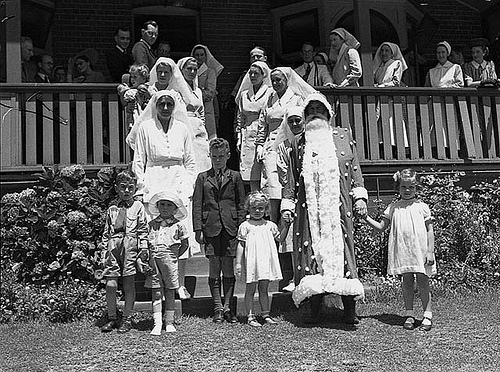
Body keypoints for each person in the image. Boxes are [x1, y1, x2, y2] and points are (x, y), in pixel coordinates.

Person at [281, 92, 367, 324]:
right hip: (309, 211)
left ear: (328, 114)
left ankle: (349, 309)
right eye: (311, 111)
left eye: (320, 110)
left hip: (338, 208)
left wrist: (359, 196)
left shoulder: (342, 136)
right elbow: (291, 177)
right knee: (311, 254)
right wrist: (287, 206)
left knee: (344, 252)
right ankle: (315, 308)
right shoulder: (299, 143)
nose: (315, 114)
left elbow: (355, 168)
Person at [130, 90, 198, 300]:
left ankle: (179, 283)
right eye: (162, 104)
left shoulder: (183, 129)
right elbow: (139, 161)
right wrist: (142, 188)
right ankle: (156, 280)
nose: (166, 108)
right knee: (156, 236)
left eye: (169, 104)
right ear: (155, 105)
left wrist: (187, 187)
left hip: (178, 182)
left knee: (180, 233)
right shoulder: (145, 127)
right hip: (154, 181)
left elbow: (191, 162)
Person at [364, 169, 436, 331]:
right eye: (404, 187)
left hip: (421, 251)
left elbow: (430, 230)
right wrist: (365, 218)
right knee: (407, 282)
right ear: (398, 187)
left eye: (411, 187)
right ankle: (409, 314)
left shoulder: (422, 207)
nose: (408, 190)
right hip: (404, 251)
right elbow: (381, 227)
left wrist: (430, 251)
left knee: (423, 282)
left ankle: (427, 315)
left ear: (417, 187)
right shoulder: (393, 207)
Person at [192, 138, 246, 324]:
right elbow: (197, 204)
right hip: (211, 227)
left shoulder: (236, 177)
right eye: (214, 157)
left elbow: (241, 204)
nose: (217, 160)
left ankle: (228, 307)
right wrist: (198, 229)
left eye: (221, 156)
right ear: (210, 156)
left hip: (231, 227)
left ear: (228, 156)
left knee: (228, 266)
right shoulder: (202, 178)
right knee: (215, 266)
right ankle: (217, 307)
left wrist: (241, 226)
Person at [255, 67, 316, 224]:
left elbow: (301, 121)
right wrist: (260, 144)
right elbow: (262, 121)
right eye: (273, 80)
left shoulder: (296, 98)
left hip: (290, 142)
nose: (275, 83)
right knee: (272, 186)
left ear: (286, 80)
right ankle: (274, 225)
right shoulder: (270, 98)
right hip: (271, 145)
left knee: (288, 183)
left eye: (279, 80)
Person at [98, 169, 149, 333]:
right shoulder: (112, 209)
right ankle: (112, 317)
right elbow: (106, 231)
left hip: (130, 246)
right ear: (116, 188)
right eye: (123, 187)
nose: (127, 191)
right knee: (111, 284)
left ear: (135, 189)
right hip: (113, 246)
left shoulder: (138, 207)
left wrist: (143, 249)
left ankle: (127, 318)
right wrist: (104, 250)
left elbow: (142, 230)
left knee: (128, 284)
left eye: (130, 187)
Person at [146, 190, 190, 335]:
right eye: (162, 204)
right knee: (157, 291)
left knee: (170, 291)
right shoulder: (151, 224)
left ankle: (169, 322)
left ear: (175, 209)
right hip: (154, 261)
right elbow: (146, 244)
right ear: (157, 207)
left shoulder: (178, 225)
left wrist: (174, 256)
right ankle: (157, 323)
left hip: (170, 261)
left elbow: (185, 244)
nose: (165, 208)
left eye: (169, 205)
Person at [236, 191, 282, 327]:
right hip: (251, 261)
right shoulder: (245, 226)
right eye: (254, 208)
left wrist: (286, 225)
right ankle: (250, 316)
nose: (257, 211)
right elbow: (241, 244)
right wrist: (238, 263)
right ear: (248, 208)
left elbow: (280, 238)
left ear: (266, 209)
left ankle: (265, 314)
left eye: (260, 208)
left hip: (265, 260)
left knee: (264, 288)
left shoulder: (270, 225)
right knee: (250, 288)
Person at [275, 105, 306, 293]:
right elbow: (284, 174)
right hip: (293, 192)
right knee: (294, 235)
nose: (294, 124)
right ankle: (295, 277)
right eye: (291, 121)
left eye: (298, 120)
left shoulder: (310, 142)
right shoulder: (283, 146)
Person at [235, 61, 272, 191]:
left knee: (262, 169)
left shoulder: (269, 93)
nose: (253, 76)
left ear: (263, 75)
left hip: (263, 132)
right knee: (249, 172)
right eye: (250, 73)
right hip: (247, 133)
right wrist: (239, 136)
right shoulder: (244, 94)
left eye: (256, 73)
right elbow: (240, 116)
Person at [178, 56, 212, 174]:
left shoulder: (198, 91)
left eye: (195, 69)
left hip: (199, 130)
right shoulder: (177, 90)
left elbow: (201, 112)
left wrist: (203, 128)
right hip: (184, 128)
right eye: (189, 69)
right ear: (182, 70)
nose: (192, 72)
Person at [191, 44, 224, 140]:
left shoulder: (210, 72)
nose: (199, 57)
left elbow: (210, 93)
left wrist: (196, 91)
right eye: (197, 55)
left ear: (206, 57)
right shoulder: (189, 72)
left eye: (201, 55)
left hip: (207, 109)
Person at [117, 64, 150, 130]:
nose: (132, 79)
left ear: (143, 78)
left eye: (135, 77)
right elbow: (124, 103)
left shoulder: (149, 89)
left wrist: (147, 95)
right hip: (133, 115)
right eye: (131, 77)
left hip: (144, 115)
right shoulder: (130, 90)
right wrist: (123, 92)